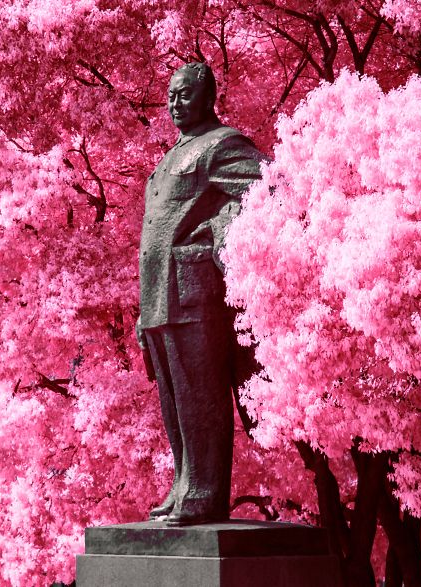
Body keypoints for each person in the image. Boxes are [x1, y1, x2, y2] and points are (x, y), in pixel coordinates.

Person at [136, 62, 265, 526]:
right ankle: (183, 484)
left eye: (185, 94)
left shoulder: (222, 145)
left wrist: (214, 233)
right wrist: (142, 308)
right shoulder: (169, 157)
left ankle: (205, 492)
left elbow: (265, 191)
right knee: (173, 400)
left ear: (208, 97)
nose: (175, 103)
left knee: (199, 395)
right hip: (159, 297)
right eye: (170, 95)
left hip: (193, 294)